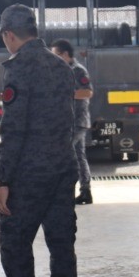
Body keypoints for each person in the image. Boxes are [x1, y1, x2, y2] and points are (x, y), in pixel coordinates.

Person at [0, 4, 78, 277]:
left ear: (10, 35)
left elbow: (13, 131)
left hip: (29, 174)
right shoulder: (62, 66)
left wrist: (3, 181)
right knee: (62, 246)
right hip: (63, 168)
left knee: (14, 241)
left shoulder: (19, 67)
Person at [51, 39, 95, 206]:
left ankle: (62, 192)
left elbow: (87, 92)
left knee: (61, 153)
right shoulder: (60, 70)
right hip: (66, 121)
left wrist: (65, 94)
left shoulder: (78, 70)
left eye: (56, 55)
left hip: (76, 121)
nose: (54, 58)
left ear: (65, 54)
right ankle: (85, 192)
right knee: (79, 157)